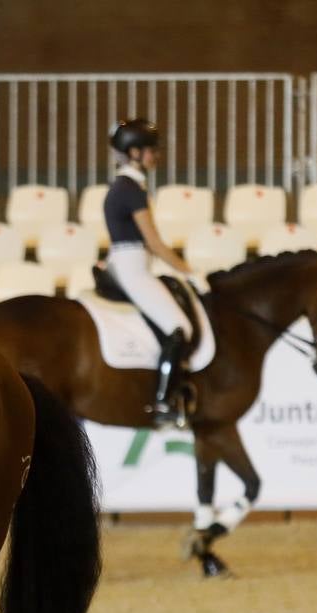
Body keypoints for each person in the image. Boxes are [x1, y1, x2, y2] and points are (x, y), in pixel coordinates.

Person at [104, 117, 201, 429]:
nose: (155, 155)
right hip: (133, 266)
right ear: (134, 153)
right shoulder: (130, 189)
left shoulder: (128, 186)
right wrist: (189, 272)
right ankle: (163, 401)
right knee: (179, 327)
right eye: (150, 150)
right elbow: (155, 243)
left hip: (131, 262)